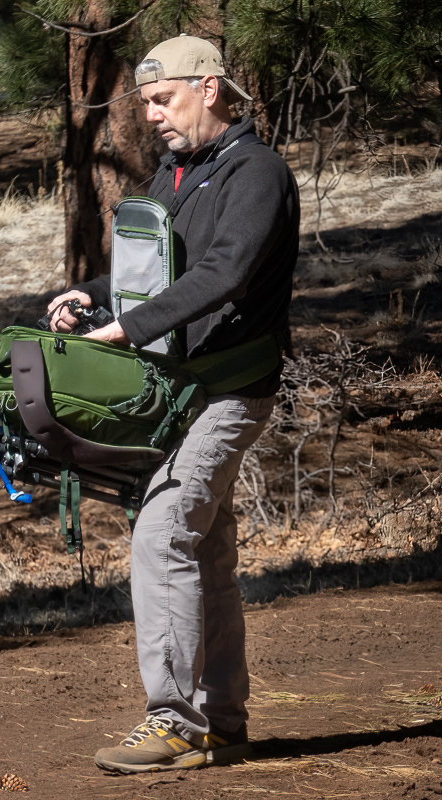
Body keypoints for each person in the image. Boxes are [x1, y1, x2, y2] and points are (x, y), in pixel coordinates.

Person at [46, 34, 300, 773]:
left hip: (231, 389)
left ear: (210, 89)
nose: (152, 116)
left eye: (164, 99)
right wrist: (89, 299)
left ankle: (175, 721)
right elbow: (145, 267)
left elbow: (224, 272)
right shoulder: (177, 172)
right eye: (148, 103)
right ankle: (220, 721)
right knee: (205, 547)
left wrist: (129, 327)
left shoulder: (256, 174)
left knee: (162, 534)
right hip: (182, 390)